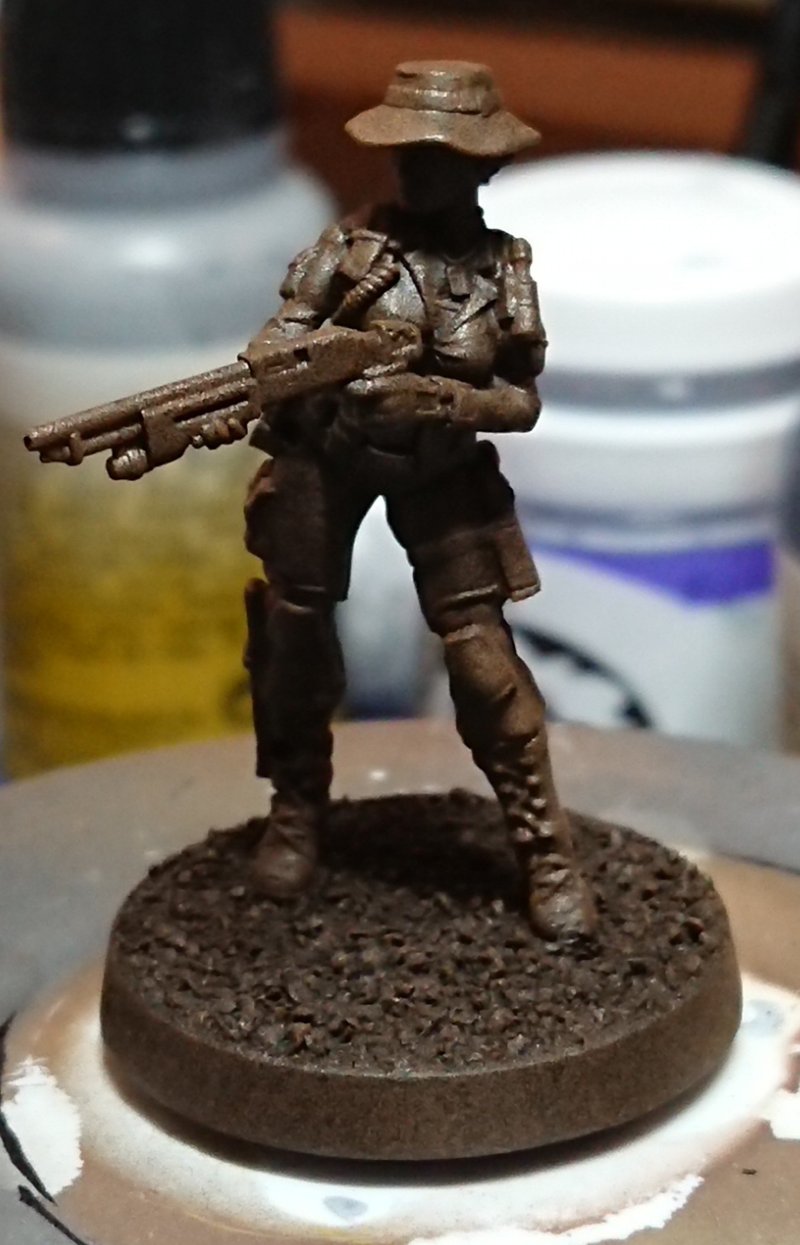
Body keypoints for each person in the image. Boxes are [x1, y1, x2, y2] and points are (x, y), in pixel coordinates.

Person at [243, 60, 596, 939]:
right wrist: (306, 366)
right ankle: (297, 808)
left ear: (480, 165)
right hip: (329, 452)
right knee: (293, 635)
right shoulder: (351, 246)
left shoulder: (503, 267)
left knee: (481, 663)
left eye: (437, 155)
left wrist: (442, 402)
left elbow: (521, 401)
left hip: (440, 468)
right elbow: (276, 342)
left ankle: (544, 847)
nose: (414, 169)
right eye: (405, 152)